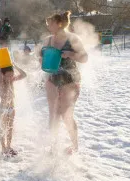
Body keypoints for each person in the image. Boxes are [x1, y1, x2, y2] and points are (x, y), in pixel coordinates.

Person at [39, 11, 88, 154]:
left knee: (66, 115)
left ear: (59, 24)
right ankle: (53, 147)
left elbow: (85, 58)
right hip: (52, 79)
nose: (48, 26)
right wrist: (41, 59)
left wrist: (70, 54)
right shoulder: (47, 40)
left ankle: (74, 146)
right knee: (53, 114)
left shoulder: (72, 39)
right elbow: (40, 57)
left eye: (51, 23)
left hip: (70, 80)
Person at [0, 64, 26, 157]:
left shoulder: (12, 81)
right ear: (3, 75)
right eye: (8, 75)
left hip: (11, 108)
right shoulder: (0, 83)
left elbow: (24, 75)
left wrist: (15, 65)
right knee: (3, 128)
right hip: (3, 109)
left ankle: (8, 147)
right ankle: (3, 148)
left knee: (10, 128)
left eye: (11, 75)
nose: (10, 77)